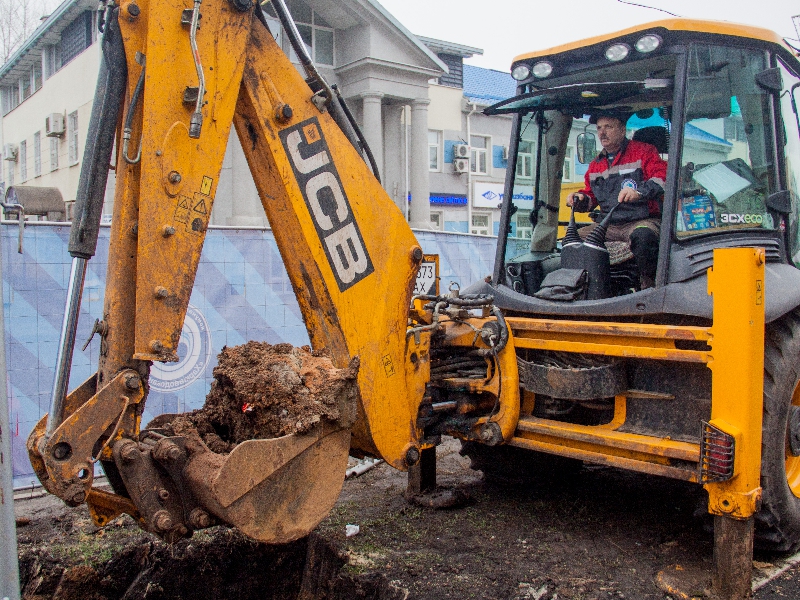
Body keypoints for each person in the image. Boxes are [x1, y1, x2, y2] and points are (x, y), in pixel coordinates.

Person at [566, 111, 667, 289]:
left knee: (643, 237)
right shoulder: (595, 164)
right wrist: (580, 199)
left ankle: (650, 287)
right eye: (599, 128)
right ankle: (590, 288)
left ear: (622, 129)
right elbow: (591, 197)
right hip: (609, 225)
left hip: (642, 220)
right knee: (572, 241)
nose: (602, 133)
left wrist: (639, 192)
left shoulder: (644, 152)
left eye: (608, 127)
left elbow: (662, 178)